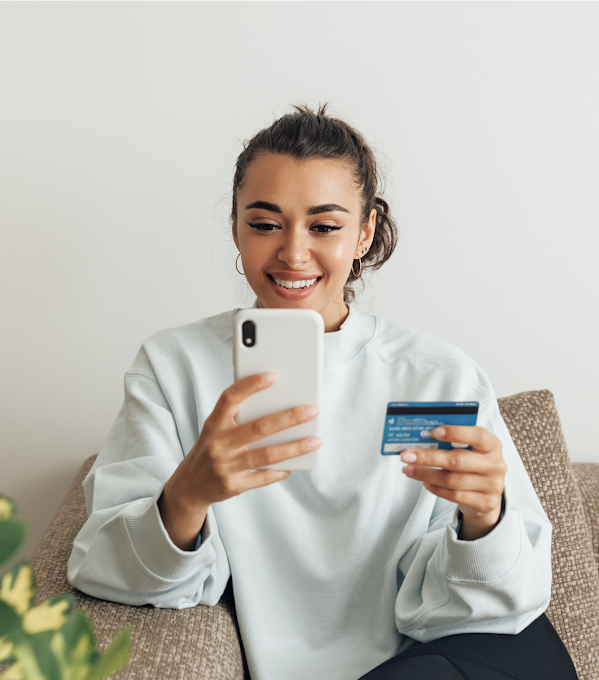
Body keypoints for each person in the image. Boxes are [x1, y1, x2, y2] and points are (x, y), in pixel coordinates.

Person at [67, 104, 578, 680]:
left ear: (363, 234)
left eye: (325, 226)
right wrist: (185, 496)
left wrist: (485, 517)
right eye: (264, 223)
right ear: (235, 228)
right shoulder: (175, 366)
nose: (292, 253)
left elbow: (499, 603)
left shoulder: (434, 375)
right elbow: (100, 567)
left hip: (459, 656)